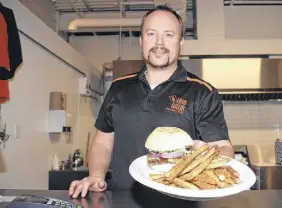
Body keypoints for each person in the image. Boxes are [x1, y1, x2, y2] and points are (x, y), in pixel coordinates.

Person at [68, 4, 234, 198]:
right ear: (141, 41)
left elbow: (225, 148)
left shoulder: (203, 92)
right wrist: (96, 175)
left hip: (179, 204)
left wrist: (204, 151)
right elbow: (103, 142)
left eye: (169, 35)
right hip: (122, 201)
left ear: (181, 43)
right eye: (151, 34)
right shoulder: (118, 87)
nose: (159, 43)